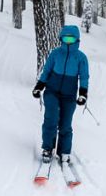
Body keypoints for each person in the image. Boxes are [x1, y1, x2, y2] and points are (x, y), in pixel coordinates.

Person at [32, 25, 89, 164]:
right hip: (52, 92)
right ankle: (47, 148)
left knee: (65, 124)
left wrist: (83, 94)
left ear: (76, 40)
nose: (68, 42)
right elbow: (46, 71)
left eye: (71, 39)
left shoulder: (81, 58)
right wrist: (39, 86)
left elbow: (84, 77)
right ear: (61, 39)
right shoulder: (55, 54)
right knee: (51, 119)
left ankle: (64, 151)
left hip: (69, 96)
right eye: (65, 38)